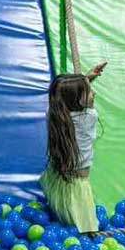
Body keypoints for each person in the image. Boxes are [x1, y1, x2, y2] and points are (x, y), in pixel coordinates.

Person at [40, 62, 107, 235]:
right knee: (85, 231)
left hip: (58, 179)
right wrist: (86, 79)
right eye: (89, 92)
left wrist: (86, 79)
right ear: (77, 100)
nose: (94, 93)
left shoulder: (54, 115)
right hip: (78, 188)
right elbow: (86, 106)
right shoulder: (90, 117)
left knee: (66, 225)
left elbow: (62, 97)